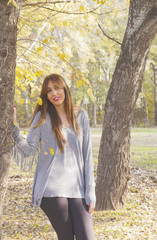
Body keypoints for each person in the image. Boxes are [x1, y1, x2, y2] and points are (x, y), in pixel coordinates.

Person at [12, 73, 96, 240]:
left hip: (77, 188)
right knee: (65, 237)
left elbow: (88, 156)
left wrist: (90, 192)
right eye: (49, 90)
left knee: (87, 237)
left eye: (57, 88)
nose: (54, 93)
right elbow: (28, 150)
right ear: (45, 95)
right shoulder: (42, 117)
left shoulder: (81, 116)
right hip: (51, 190)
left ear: (65, 88)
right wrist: (13, 127)